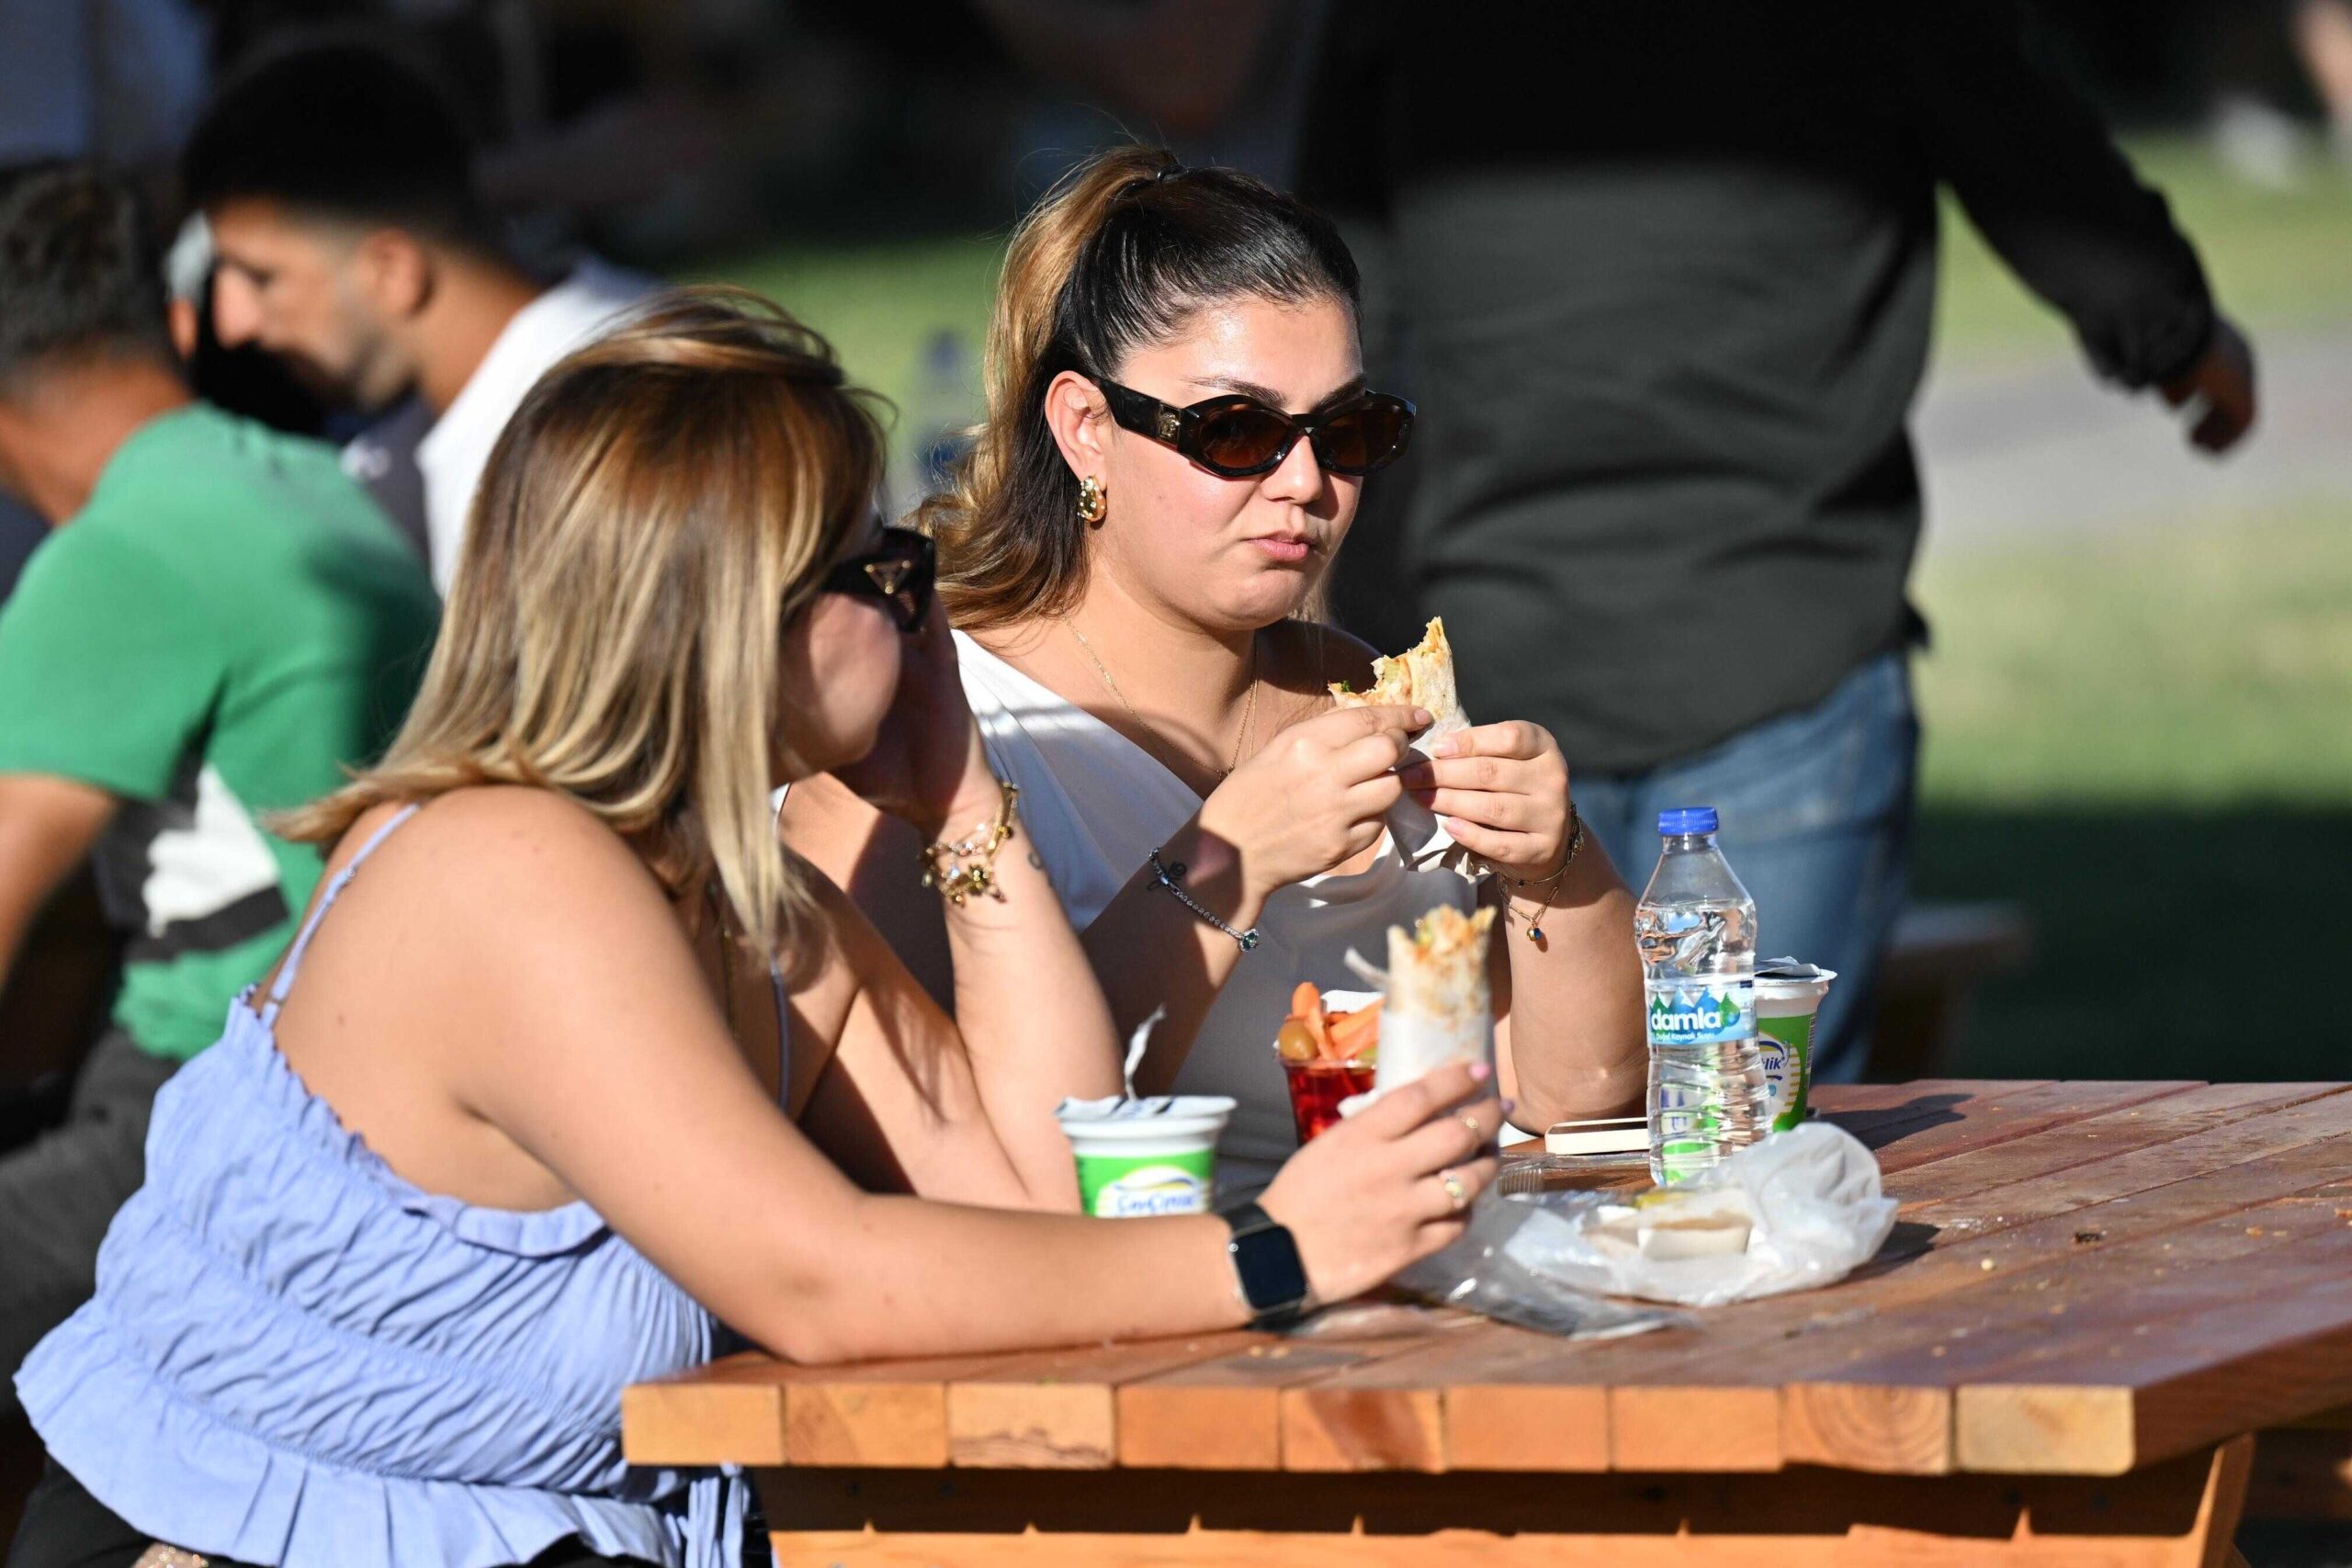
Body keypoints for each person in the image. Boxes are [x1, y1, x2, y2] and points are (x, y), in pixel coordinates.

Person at [7, 289, 1501, 1568]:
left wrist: (963, 797)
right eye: (885, 572)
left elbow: (1039, 1186)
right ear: (739, 611)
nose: (925, 619)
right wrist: (1271, 1250)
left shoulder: (742, 898)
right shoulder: (512, 869)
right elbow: (825, 1275)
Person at [1296, 2, 2259, 1081]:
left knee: (1702, 1149)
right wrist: (2183, 342)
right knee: (1688, 1149)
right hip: (1611, 668)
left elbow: (1328, 280)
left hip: (1704, 659)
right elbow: (2025, 148)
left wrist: (2171, 330)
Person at [786, 148, 1645, 1196]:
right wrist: (1222, 861)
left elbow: (1570, 1102)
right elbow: (936, 1168)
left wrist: (1560, 870)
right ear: (1086, 430)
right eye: (1236, 431)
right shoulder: (923, 732)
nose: (1306, 483)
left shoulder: (1368, 694)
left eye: (1347, 431)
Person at [0, 163, 441, 1411]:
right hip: (350, 1083)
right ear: (178, 321)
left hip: (224, 1101)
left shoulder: (117, 555)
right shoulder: (300, 482)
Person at [180, 34, 650, 591]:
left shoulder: (622, 433)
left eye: (261, 278)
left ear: (392, 271)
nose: (231, 325)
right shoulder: (422, 447)